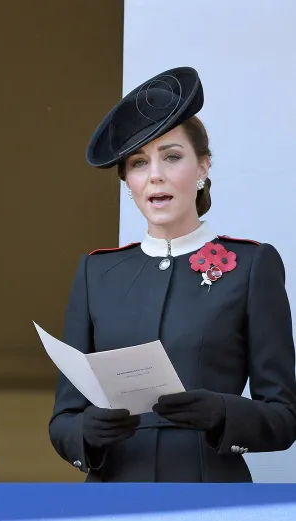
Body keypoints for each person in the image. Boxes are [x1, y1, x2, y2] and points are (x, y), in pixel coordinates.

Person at [49, 66, 296, 482]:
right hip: (112, 497)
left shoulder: (252, 265)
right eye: (138, 163)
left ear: (203, 167)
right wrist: (85, 433)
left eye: (172, 156)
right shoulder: (97, 272)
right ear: (127, 181)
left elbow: (284, 416)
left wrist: (223, 412)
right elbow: (63, 419)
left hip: (208, 493)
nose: (155, 175)